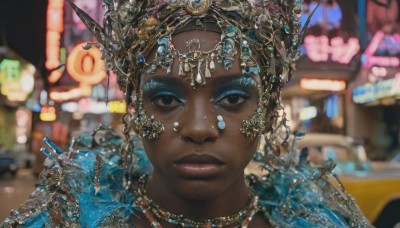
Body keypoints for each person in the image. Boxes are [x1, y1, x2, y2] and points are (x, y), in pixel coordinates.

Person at [1, 0, 370, 227]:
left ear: (271, 110)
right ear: (134, 109)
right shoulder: (69, 221)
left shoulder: (321, 222)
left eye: (233, 98)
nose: (198, 128)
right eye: (164, 100)